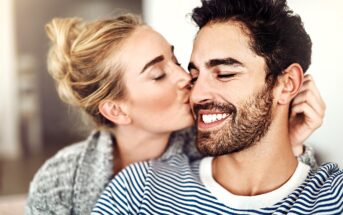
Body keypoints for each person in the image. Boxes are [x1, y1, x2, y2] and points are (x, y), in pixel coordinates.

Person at [27, 12, 323, 215]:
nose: (186, 78)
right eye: (158, 74)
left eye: (176, 61)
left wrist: (288, 142)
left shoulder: (217, 140)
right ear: (116, 109)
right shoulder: (59, 182)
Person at [92, 0, 342, 214]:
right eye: (195, 75)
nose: (196, 94)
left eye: (223, 74)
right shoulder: (138, 189)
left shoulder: (332, 197)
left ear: (287, 85)